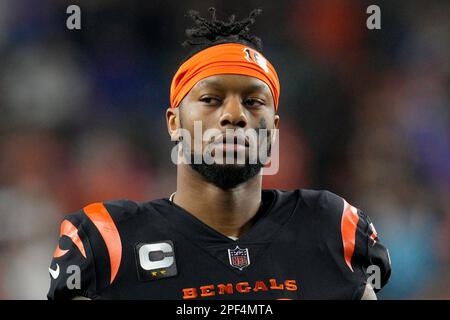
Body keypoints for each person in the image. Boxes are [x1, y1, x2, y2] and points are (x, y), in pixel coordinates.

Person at [47, 8, 391, 300]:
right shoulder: (107, 240)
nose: (234, 115)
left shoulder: (331, 227)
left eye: (253, 101)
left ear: (273, 127)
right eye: (210, 99)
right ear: (173, 123)